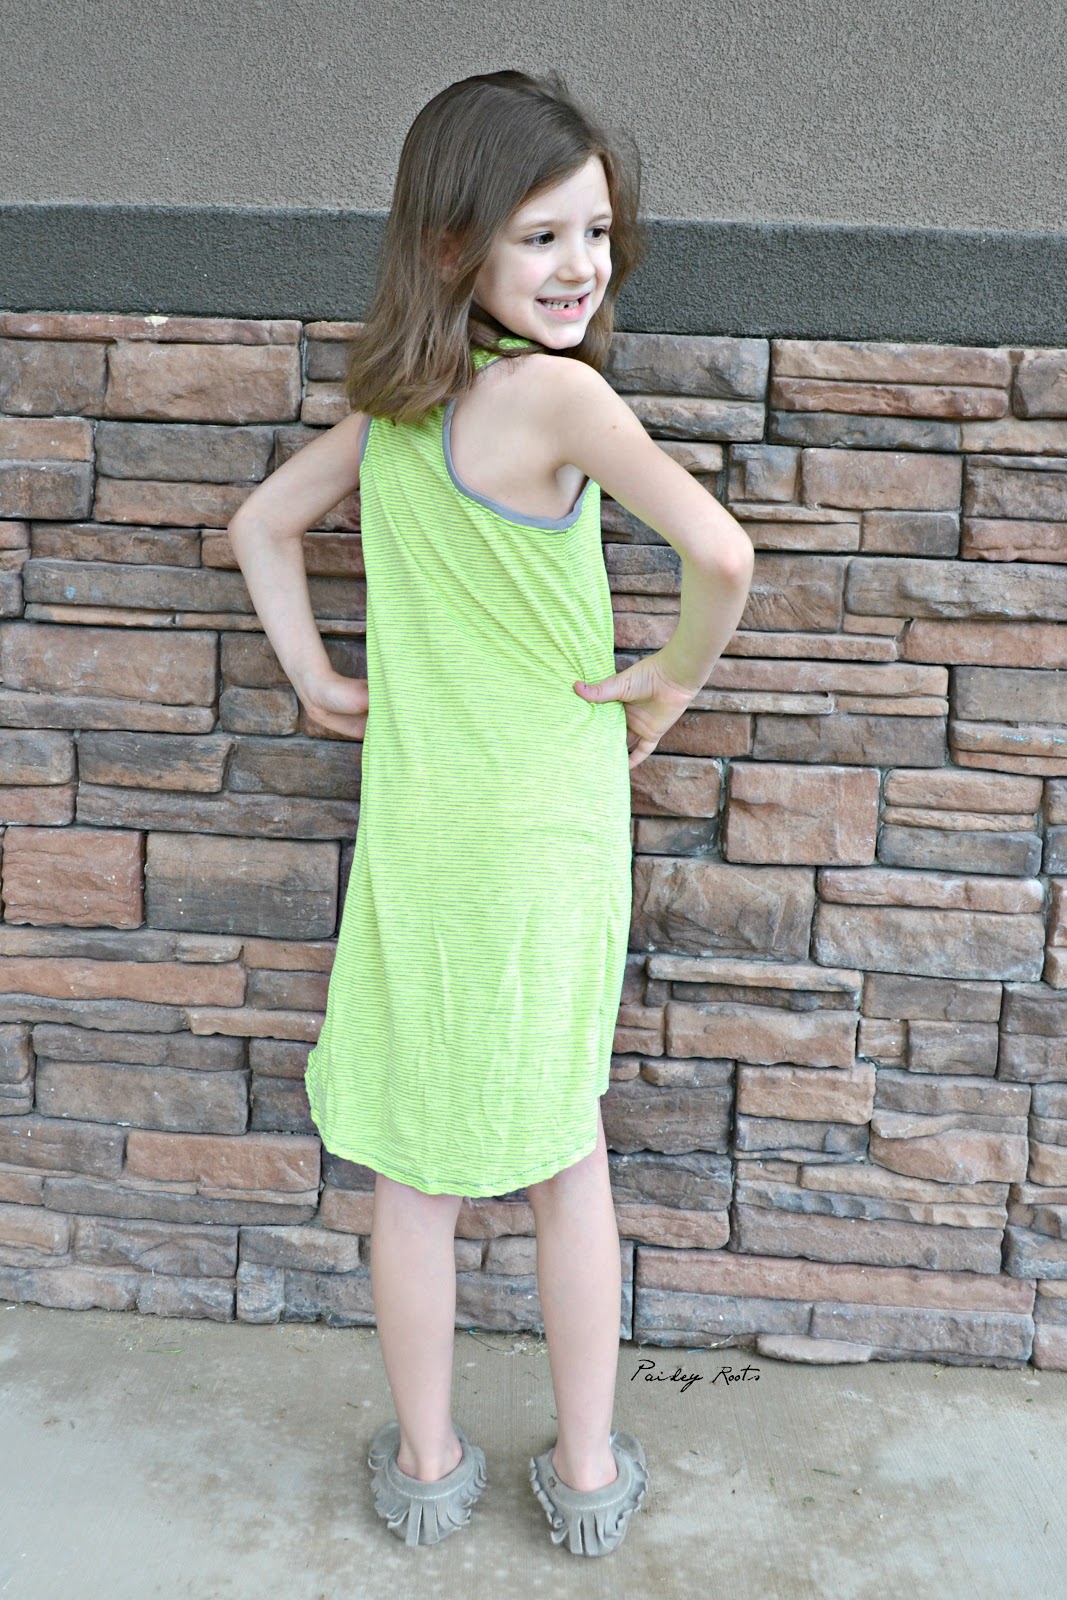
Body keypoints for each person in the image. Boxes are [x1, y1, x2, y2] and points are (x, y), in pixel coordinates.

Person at [227, 68, 754, 1557]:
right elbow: (723, 556)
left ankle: (427, 1464)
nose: (582, 264)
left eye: (595, 230)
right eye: (543, 236)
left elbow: (261, 525)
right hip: (546, 843)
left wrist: (319, 680)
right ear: (455, 245)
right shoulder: (562, 398)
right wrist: (667, 682)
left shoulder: (396, 411)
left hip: (421, 841)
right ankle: (585, 1472)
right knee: (562, 1156)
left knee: (414, 1175)